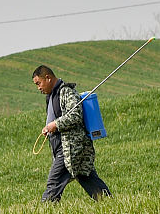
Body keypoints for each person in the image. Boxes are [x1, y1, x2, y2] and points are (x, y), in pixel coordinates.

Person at [32, 65, 111, 201]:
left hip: (70, 148)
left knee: (54, 182)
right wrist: (49, 128)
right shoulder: (51, 96)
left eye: (39, 83)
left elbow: (75, 115)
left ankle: (44, 212)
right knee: (86, 176)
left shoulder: (67, 92)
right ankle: (108, 202)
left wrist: (55, 124)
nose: (38, 87)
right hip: (63, 147)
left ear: (48, 78)